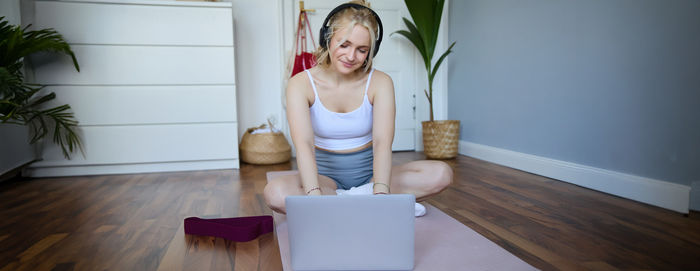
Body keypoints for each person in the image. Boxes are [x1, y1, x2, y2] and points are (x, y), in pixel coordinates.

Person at [264, 0, 452, 214]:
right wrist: (314, 197)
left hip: (371, 177)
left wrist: (381, 193)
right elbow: (304, 146)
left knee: (442, 173)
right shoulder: (300, 84)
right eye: (344, 45)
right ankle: (359, 201)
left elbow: (382, 143)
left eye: (361, 50)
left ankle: (352, 200)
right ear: (328, 38)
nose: (351, 56)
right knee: (275, 193)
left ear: (371, 51)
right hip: (323, 179)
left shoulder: (381, 82)